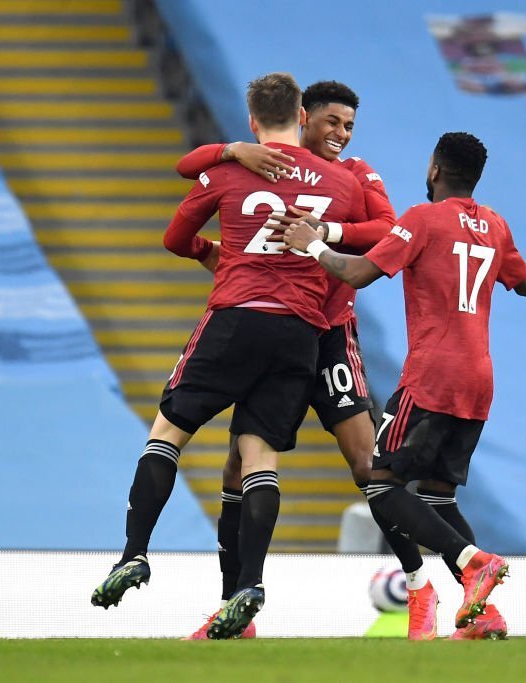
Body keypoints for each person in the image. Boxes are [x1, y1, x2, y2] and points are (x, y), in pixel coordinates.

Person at [90, 73, 367, 642]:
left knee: (168, 434)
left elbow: (175, 238)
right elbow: (378, 232)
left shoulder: (229, 170)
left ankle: (134, 554)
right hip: (299, 332)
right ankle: (249, 585)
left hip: (235, 318)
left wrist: (214, 248)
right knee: (259, 458)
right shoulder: (341, 181)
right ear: (302, 116)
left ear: (251, 120)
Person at [174, 80, 436, 639]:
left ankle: (419, 589)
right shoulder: (264, 165)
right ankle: (233, 607)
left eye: (349, 126)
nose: (341, 134)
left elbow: (388, 229)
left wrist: (327, 231)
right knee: (236, 468)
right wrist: (231, 150)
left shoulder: (355, 174)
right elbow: (191, 169)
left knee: (365, 465)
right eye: (332, 122)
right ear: (303, 118)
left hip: (331, 336)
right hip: (279, 330)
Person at [280, 131, 526, 639]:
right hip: (478, 378)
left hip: (432, 374)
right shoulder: (495, 225)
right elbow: (525, 283)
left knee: (380, 484)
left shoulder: (422, 218)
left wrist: (314, 245)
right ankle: (483, 613)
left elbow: (357, 274)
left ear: (435, 169)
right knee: (439, 497)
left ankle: (473, 561)